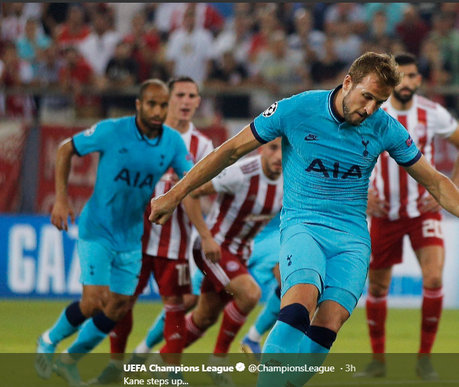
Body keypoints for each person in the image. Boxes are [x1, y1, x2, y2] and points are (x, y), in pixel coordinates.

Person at [149, 52, 459, 387]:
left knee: (329, 324)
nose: (371, 108)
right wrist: (175, 194)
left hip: (352, 239)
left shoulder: (384, 126)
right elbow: (230, 151)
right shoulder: (296, 109)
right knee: (299, 305)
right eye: (367, 97)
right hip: (304, 226)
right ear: (348, 83)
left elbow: (434, 180)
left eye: (380, 102)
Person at [34, 79, 194, 387]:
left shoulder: (173, 142)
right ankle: (48, 340)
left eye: (163, 105)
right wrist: (62, 198)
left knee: (118, 307)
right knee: (94, 301)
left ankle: (70, 360)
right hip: (98, 229)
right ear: (138, 105)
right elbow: (66, 149)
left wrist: (193, 187)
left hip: (132, 236)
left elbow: (191, 176)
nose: (158, 111)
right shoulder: (112, 130)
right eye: (152, 104)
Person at [355, 53, 459, 380]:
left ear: (418, 80)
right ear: (394, 80)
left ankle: (424, 359)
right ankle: (378, 362)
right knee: (378, 289)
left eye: (411, 77)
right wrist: (363, 193)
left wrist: (452, 189)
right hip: (384, 213)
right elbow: (355, 149)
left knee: (434, 278)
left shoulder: (432, 113)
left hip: (422, 211)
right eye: (401, 77)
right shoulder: (376, 111)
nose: (406, 83)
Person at [89, 76, 214, 384]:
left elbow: (208, 186)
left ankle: (170, 371)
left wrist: (187, 189)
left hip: (175, 240)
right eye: (180, 95)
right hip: (133, 234)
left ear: (198, 102)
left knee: (177, 303)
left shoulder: (203, 145)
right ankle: (115, 367)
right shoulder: (140, 134)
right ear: (167, 99)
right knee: (122, 300)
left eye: (192, 95)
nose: (186, 101)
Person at [155, 137, 283, 387]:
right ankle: (218, 361)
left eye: (284, 149)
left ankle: (161, 361)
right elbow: (191, 191)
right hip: (214, 249)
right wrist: (205, 237)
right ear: (262, 149)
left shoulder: (290, 179)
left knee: (205, 317)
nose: (278, 156)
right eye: (273, 148)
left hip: (240, 253)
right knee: (250, 294)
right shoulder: (241, 173)